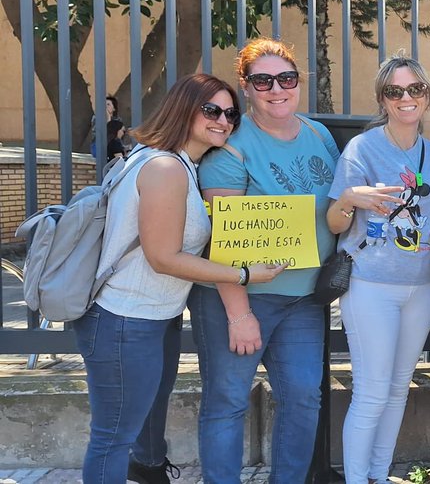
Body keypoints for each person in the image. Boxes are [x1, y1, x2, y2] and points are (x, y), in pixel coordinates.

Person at [76, 73, 285, 484]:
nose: (223, 120)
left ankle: (148, 469)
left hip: (152, 318)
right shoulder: (165, 167)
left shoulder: (181, 163)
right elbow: (163, 257)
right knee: (112, 439)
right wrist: (243, 274)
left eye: (230, 113)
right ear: (183, 108)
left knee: (128, 432)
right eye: (211, 110)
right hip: (124, 320)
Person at [191, 38, 341, 483]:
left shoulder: (318, 133)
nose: (277, 89)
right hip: (241, 299)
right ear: (247, 87)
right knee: (227, 401)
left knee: (302, 399)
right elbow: (223, 236)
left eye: (287, 78)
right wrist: (239, 315)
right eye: (263, 80)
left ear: (299, 82)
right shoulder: (231, 147)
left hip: (303, 300)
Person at [325, 55, 430, 483]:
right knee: (372, 394)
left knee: (397, 391)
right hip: (369, 285)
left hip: (419, 287)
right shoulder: (362, 148)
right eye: (395, 91)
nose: (406, 98)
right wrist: (350, 200)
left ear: (427, 96)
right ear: (383, 99)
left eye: (415, 89)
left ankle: (378, 474)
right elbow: (335, 223)